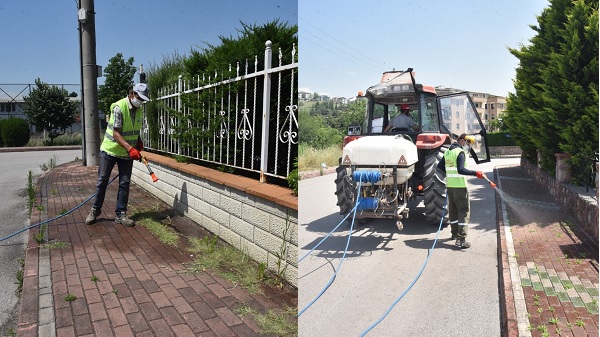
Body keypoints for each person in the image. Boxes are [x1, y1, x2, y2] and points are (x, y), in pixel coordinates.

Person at [85, 83, 149, 227]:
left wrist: (138, 142)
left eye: (144, 100)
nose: (141, 102)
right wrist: (130, 148)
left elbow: (133, 128)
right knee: (102, 180)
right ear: (132, 94)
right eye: (140, 98)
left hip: (126, 153)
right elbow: (116, 133)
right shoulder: (119, 107)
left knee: (125, 183)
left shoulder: (138, 110)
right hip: (111, 150)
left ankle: (120, 214)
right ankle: (95, 210)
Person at [436, 133, 484, 249]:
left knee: (453, 211)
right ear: (462, 140)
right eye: (468, 143)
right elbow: (461, 170)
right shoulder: (460, 152)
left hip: (450, 186)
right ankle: (461, 239)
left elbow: (440, 167)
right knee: (463, 211)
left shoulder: (448, 152)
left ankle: (454, 234)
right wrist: (475, 173)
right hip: (460, 186)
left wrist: (450, 173)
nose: (468, 146)